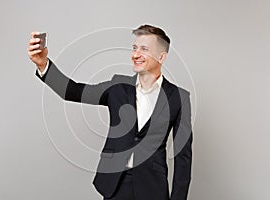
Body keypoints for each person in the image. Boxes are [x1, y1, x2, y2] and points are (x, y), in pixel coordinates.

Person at [28, 24, 193, 200]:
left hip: (152, 187)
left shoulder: (179, 98)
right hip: (114, 185)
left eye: (144, 49)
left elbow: (183, 158)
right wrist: (43, 64)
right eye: (134, 48)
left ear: (161, 56)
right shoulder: (117, 87)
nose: (135, 54)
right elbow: (73, 91)